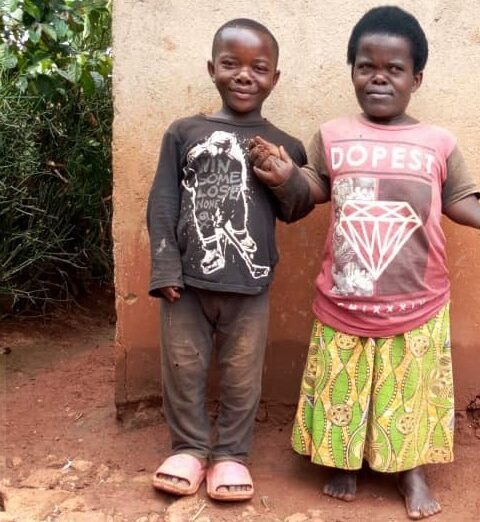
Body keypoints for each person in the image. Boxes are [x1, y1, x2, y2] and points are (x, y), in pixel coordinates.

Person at [249, 6, 480, 520]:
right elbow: (312, 190)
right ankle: (342, 463)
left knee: (407, 391)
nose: (379, 76)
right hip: (345, 293)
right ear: (351, 70)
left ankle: (411, 471)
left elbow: (458, 196)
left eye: (394, 68)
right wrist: (286, 175)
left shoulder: (437, 142)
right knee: (343, 388)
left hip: (416, 296)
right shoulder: (331, 135)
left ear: (416, 78)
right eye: (365, 65)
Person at [146, 18, 313, 501]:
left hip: (250, 286)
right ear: (211, 69)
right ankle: (190, 448)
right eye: (231, 64)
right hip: (186, 285)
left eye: (259, 68)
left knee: (243, 376)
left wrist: (284, 176)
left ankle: (232, 456)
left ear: (275, 78)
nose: (245, 75)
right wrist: (164, 268)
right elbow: (162, 203)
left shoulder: (286, 145)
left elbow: (298, 209)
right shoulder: (184, 133)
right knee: (183, 368)